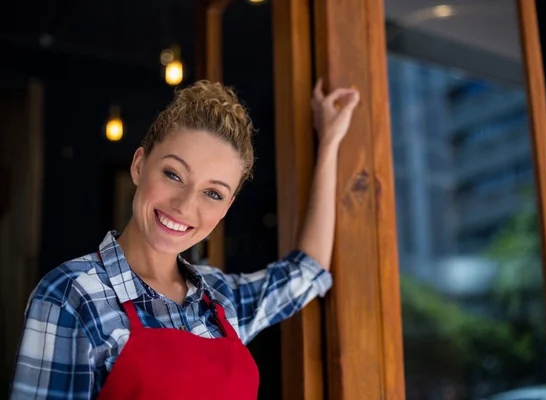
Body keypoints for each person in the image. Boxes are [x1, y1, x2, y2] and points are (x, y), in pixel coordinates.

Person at [9, 78, 360, 400]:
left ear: (227, 208)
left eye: (213, 193)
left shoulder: (221, 299)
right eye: (173, 174)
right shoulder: (71, 295)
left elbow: (307, 270)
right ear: (138, 165)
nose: (184, 206)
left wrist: (329, 142)